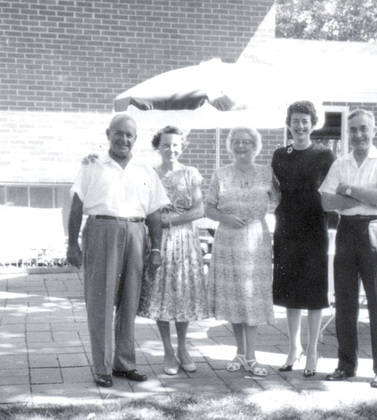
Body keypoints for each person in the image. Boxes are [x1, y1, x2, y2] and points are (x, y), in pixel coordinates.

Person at [67, 114, 171, 388]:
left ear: (135, 139)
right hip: (102, 231)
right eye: (119, 133)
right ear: (108, 134)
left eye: (129, 135)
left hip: (137, 233)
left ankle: (124, 364)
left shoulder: (145, 170)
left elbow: (155, 212)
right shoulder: (92, 166)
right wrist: (71, 244)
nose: (123, 139)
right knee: (100, 302)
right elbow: (77, 206)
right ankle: (102, 367)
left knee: (129, 302)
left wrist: (157, 247)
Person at [319, 108, 377, 388]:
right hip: (347, 231)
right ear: (347, 133)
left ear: (374, 130)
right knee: (344, 300)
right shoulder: (340, 164)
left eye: (363, 128)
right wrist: (357, 199)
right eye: (353, 130)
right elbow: (327, 203)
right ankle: (346, 365)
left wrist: (349, 190)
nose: (358, 134)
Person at [206, 126, 277, 377]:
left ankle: (252, 356)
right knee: (235, 296)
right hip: (228, 240)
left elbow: (279, 201)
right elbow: (209, 209)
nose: (241, 146)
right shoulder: (221, 173)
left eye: (247, 142)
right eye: (236, 141)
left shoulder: (267, 173)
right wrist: (226, 217)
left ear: (255, 146)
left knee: (252, 297)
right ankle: (239, 352)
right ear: (230, 146)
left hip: (256, 240)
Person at [272, 100, 335, 377]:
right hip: (286, 227)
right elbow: (275, 191)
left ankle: (312, 351)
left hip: (313, 228)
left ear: (313, 124)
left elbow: (330, 194)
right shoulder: (279, 155)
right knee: (290, 292)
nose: (299, 126)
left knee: (313, 292)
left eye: (304, 121)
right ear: (289, 123)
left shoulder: (324, 155)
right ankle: (293, 348)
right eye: (295, 120)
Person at [138, 126, 208, 375]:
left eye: (176, 145)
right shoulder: (150, 173)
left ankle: (182, 348)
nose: (171, 149)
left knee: (182, 293)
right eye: (166, 145)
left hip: (185, 240)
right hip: (158, 240)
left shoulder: (190, 173)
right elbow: (148, 208)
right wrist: (160, 225)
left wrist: (171, 221)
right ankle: (167, 350)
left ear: (182, 147)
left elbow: (199, 210)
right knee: (161, 294)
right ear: (158, 147)